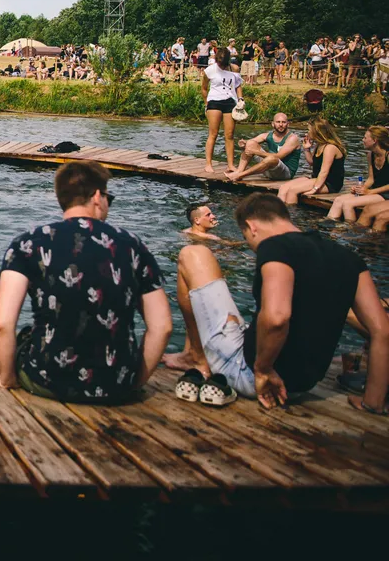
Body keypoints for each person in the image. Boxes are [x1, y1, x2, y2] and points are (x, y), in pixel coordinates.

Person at [163, 193, 387, 413]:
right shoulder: (349, 257)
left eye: (246, 236)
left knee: (193, 253)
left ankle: (194, 357)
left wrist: (263, 369)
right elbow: (383, 331)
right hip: (303, 384)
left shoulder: (275, 247)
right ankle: (374, 402)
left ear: (252, 226)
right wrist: (372, 402)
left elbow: (277, 318)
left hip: (257, 377)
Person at [0, 161, 172, 403]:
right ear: (97, 197)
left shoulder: (28, 243)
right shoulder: (132, 245)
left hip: (47, 380)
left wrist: (8, 377)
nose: (107, 203)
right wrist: (133, 383)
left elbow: (1, 325)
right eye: (109, 198)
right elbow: (162, 327)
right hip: (117, 384)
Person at [326, 126, 389, 222]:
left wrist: (370, 192)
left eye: (365, 138)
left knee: (348, 204)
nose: (362, 140)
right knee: (338, 200)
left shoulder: (388, 156)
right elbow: (371, 179)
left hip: (385, 194)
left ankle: (350, 228)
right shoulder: (370, 155)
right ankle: (329, 225)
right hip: (374, 192)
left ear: (375, 140)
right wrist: (361, 188)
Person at [278, 118, 344, 205]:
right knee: (283, 188)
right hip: (316, 178)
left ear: (317, 131)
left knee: (293, 190)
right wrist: (307, 149)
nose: (307, 133)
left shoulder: (330, 148)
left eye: (309, 130)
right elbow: (312, 162)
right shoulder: (319, 145)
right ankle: (278, 211)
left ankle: (291, 212)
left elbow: (324, 171)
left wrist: (315, 189)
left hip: (330, 183)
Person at [225, 113, 301, 183]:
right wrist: (244, 143)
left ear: (288, 124)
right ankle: (239, 171)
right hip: (269, 169)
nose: (281, 125)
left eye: (283, 122)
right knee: (250, 144)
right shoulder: (267, 135)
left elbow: (279, 156)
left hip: (285, 174)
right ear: (273, 124)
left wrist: (255, 152)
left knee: (272, 158)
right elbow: (250, 143)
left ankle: (240, 175)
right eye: (278, 122)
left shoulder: (293, 138)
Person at [201, 46, 243, 174]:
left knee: (229, 135)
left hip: (230, 102)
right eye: (219, 63)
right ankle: (208, 164)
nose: (221, 66)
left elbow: (238, 85)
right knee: (213, 134)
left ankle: (230, 165)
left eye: (223, 64)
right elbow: (204, 88)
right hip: (214, 102)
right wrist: (206, 103)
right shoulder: (210, 70)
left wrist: (240, 99)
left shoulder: (234, 69)